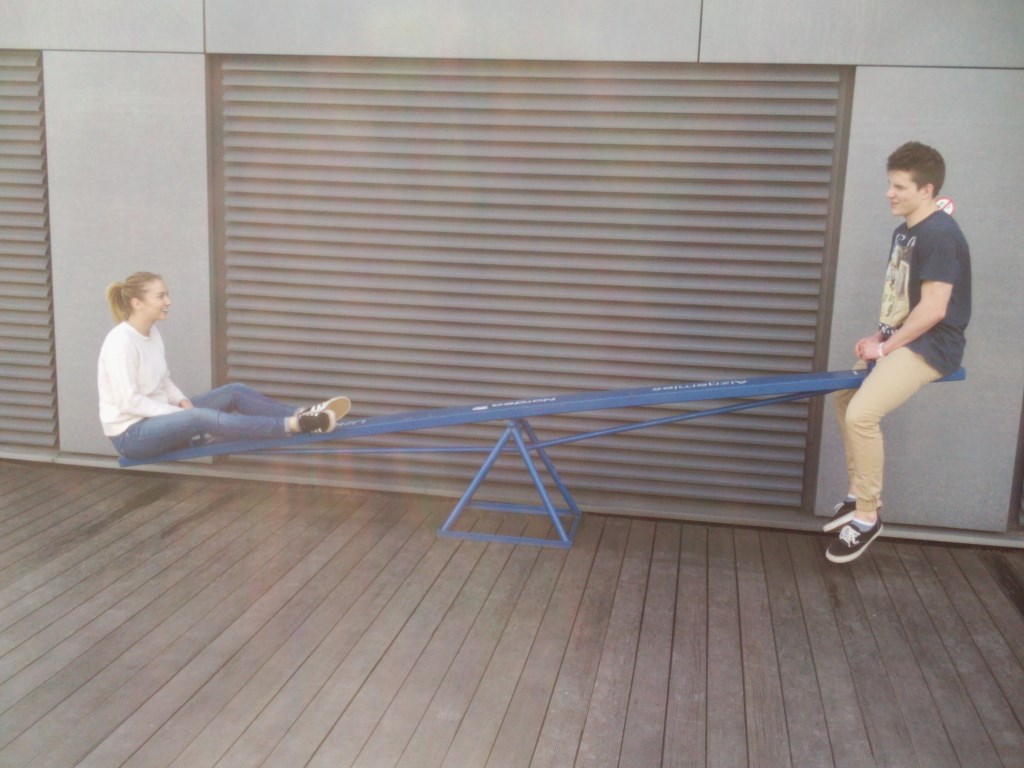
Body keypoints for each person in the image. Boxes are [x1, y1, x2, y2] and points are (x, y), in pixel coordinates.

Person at [825, 142, 971, 563]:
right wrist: (878, 334)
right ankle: (858, 493)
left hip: (933, 345)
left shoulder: (941, 234)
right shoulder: (906, 230)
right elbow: (902, 300)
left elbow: (934, 309)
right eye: (890, 184)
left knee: (861, 414)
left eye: (900, 187)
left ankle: (867, 517)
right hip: (903, 337)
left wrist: (886, 346)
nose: (889, 193)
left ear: (926, 190)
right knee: (845, 397)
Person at [98, 271, 350, 461]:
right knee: (199, 417)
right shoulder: (121, 342)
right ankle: (294, 425)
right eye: (161, 296)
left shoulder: (152, 333)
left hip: (158, 421)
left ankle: (303, 414)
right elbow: (128, 401)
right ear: (137, 303)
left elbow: (163, 379)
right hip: (131, 435)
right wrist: (180, 414)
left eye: (167, 294)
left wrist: (182, 401)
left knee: (234, 391)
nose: (169, 301)